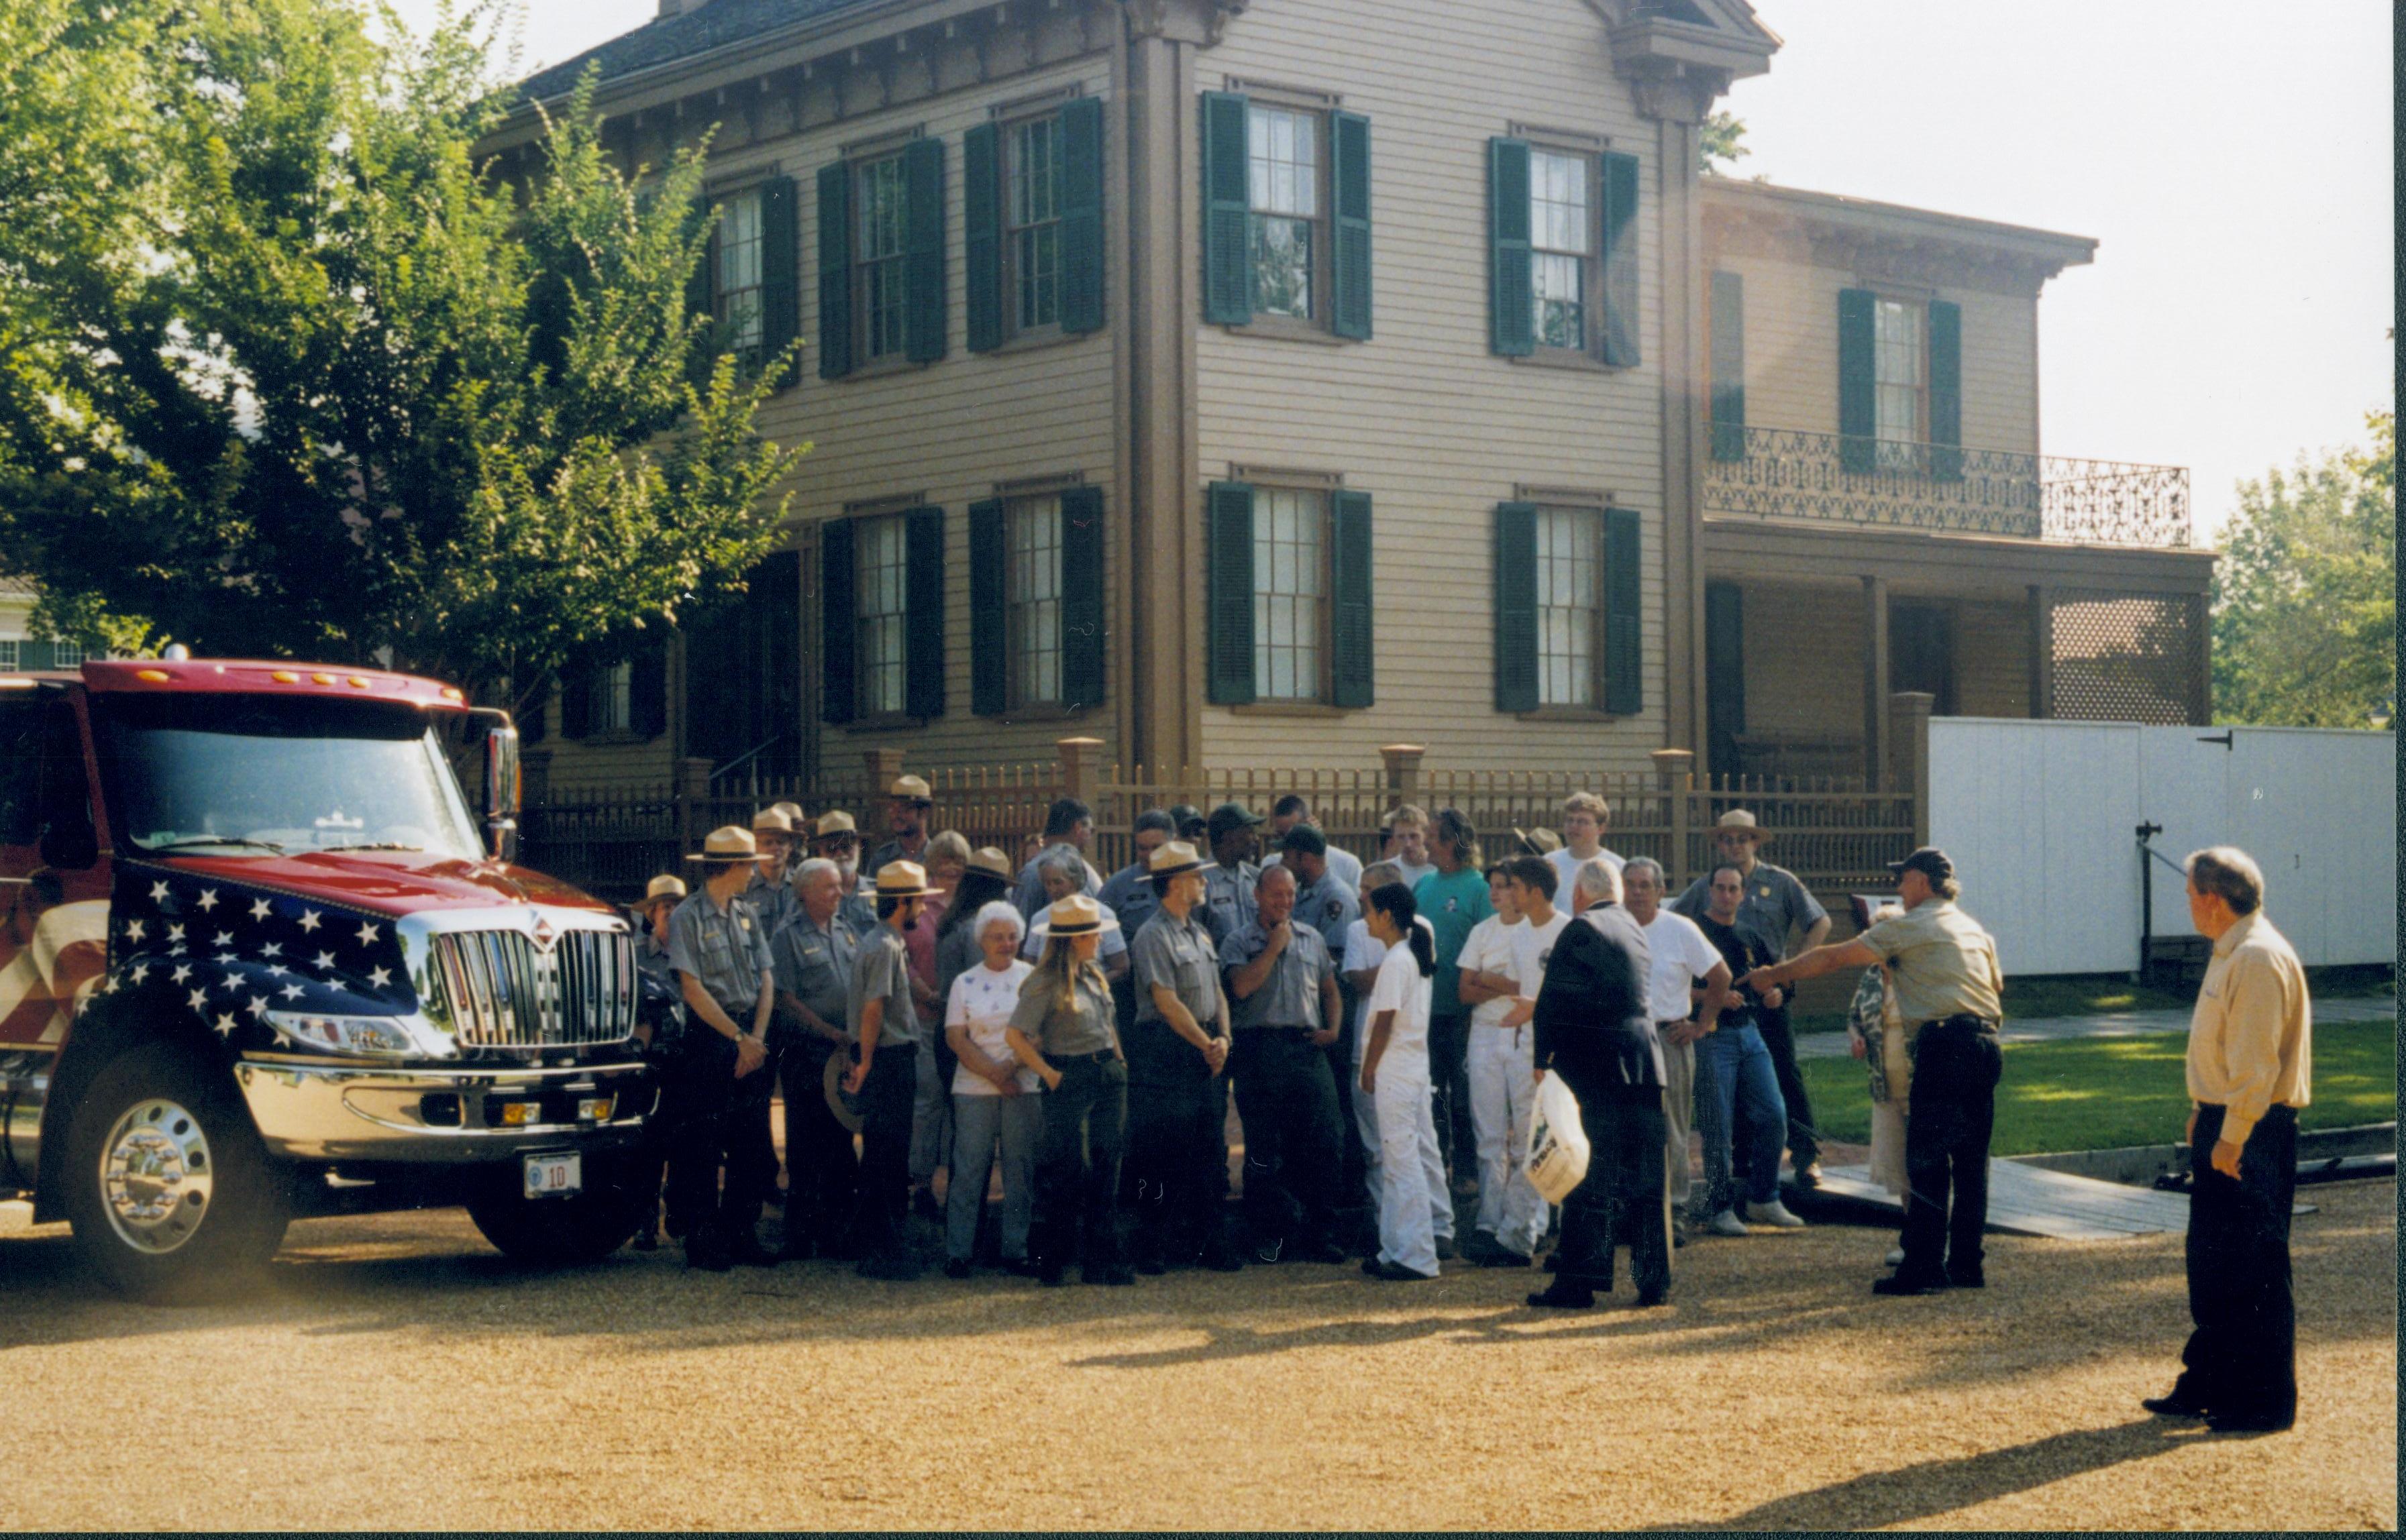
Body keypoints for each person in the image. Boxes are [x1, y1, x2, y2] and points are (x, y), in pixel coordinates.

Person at [1744, 846, 2000, 1295]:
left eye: (1903, 880)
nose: (1899, 889)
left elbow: (1832, 958)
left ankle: (1921, 1268)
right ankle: (1966, 1265)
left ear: (1921, 881)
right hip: (1986, 1044)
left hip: (1942, 1045)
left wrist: (1774, 974)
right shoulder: (1974, 928)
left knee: (1927, 1162)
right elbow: (1996, 985)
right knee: (1972, 1164)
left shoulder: (1908, 927)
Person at [2141, 846, 2311, 1434]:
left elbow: (2256, 1065)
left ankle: (2264, 1400)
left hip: (2253, 1127)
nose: (2187, 903)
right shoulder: (2231, 952)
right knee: (2213, 1264)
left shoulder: (2257, 958)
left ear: (2213, 899)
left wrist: (2232, 1136)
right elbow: (2225, 1050)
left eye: (2190, 893)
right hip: (2226, 1120)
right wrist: (2203, 1112)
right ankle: (2211, 1380)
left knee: (2254, 1265)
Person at [1526, 857, 1669, 1309]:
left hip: (1599, 1067)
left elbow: (1554, 1000)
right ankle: (1653, 1279)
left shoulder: (1581, 928)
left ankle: (1579, 1280)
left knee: (1589, 1176)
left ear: (1578, 894)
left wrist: (1542, 1058)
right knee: (1648, 1179)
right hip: (1645, 1062)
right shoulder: (1633, 929)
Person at [1673, 810, 1830, 1187]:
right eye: (1727, 839)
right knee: (1733, 1079)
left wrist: (1792, 969)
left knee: (1786, 1072)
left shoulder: (1780, 882)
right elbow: (1673, 925)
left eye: (1742, 838)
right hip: (1724, 997)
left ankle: (1805, 1155)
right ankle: (1743, 1162)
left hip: (1769, 991)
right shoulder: (1707, 887)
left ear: (1755, 842)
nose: (1735, 845)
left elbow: (1819, 921)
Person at [1124, 840, 1243, 1273]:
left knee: (1209, 1147)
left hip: (1205, 1046)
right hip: (1169, 1049)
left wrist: (1224, 1038)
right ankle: (1154, 1245)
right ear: (1175, 883)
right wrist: (1205, 1044)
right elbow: (1165, 1000)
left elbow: (1217, 994)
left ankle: (1210, 1242)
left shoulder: (1200, 931)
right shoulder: (1152, 935)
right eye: (1196, 875)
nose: (1204, 882)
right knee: (1162, 1149)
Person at [1220, 863, 1348, 1265]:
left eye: (1291, 895)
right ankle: (1269, 1238)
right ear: (1257, 895)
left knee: (1326, 1138)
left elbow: (1330, 990)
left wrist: (1334, 1029)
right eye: (1276, 895)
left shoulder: (1312, 938)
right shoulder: (1239, 941)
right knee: (1263, 1148)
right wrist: (1274, 947)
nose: (1285, 902)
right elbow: (1240, 987)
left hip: (1306, 1048)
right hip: (1260, 1048)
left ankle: (1320, 1233)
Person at [663, 826, 777, 1271]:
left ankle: (741, 1232)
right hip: (712, 1036)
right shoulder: (687, 917)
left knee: (751, 1142)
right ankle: (704, 1236)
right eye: (749, 865)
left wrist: (757, 1039)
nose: (753, 873)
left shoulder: (746, 914)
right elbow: (692, 988)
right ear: (733, 867)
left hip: (751, 1033)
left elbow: (766, 977)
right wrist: (737, 1039)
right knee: (704, 1143)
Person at [1009, 894, 1133, 1286]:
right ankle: (1056, 1258)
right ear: (1074, 939)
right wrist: (1047, 1072)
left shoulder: (1094, 975)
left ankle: (1101, 1260)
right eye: (1092, 934)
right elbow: (1015, 1035)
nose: (1099, 940)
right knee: (1069, 1168)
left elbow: (1108, 1022)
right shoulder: (1044, 983)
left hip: (1105, 1074)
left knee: (1106, 1164)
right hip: (1069, 1076)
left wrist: (1118, 1058)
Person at [1455, 855, 1567, 1266]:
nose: (1507, 894)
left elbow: (1539, 994)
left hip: (1549, 1045)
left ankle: (1529, 1229)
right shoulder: (1509, 936)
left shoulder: (1566, 930)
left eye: (1514, 886)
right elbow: (1503, 995)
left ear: (1533, 891)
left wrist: (1490, 980)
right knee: (1496, 1136)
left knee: (1532, 1138)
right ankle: (1503, 1229)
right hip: (1513, 1038)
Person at [1691, 862, 1805, 1235]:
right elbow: (1670, 983)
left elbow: (1777, 978)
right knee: (1718, 1125)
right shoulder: (1694, 934)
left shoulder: (1750, 935)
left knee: (1774, 1114)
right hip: (1711, 1036)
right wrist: (1715, 997)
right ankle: (1719, 1206)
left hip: (1750, 1033)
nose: (1726, 895)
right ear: (1710, 891)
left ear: (1743, 894)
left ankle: (1763, 1197)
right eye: (1720, 888)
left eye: (1733, 889)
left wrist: (1776, 993)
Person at [1622, 857, 1729, 1243]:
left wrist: (1703, 1024)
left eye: (1644, 885)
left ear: (1660, 891)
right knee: (1625, 1129)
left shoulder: (1680, 929)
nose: (1637, 892)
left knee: (1672, 1129)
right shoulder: (1612, 927)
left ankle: (1675, 1210)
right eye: (1630, 884)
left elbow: (1721, 977)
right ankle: (1631, 1213)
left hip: (1669, 1038)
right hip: (1623, 1039)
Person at [843, 860, 938, 1280]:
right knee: (886, 1153)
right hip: (888, 1057)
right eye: (918, 899)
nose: (921, 907)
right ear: (904, 901)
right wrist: (864, 1062)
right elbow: (873, 1009)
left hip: (890, 1055)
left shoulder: (885, 940)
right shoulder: (884, 946)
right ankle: (883, 1247)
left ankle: (877, 1241)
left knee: (885, 1152)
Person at [769, 859, 866, 1260]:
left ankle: (835, 1233)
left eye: (840, 886)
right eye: (829, 887)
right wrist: (829, 1033)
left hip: (843, 1054)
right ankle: (799, 1236)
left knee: (840, 1143)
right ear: (805, 892)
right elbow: (785, 1000)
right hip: (808, 1056)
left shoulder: (846, 932)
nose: (839, 894)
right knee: (806, 1148)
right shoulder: (786, 937)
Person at [941, 899, 1041, 1279]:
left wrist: (1011, 1069)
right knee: (969, 1169)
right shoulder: (963, 982)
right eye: (998, 937)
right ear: (982, 940)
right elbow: (956, 1038)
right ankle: (959, 1252)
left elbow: (1038, 1033)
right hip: (973, 1087)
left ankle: (1015, 1250)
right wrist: (996, 1074)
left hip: (1023, 1084)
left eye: (1013, 936)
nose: (1006, 943)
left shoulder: (1032, 977)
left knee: (1020, 1169)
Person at [1357, 881, 1445, 1281]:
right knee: (1402, 1159)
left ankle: (1416, 1254)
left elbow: (1385, 1022)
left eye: (1370, 911)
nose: (1366, 919)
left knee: (1401, 1161)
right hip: (1412, 1067)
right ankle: (1396, 1247)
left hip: (1395, 1068)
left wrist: (1369, 1067)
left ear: (1386, 916)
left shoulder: (1397, 960)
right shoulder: (1412, 953)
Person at [1415, 808, 1493, 1197]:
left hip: (1464, 1016)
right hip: (1424, 1014)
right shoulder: (1424, 885)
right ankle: (1436, 1170)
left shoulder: (1479, 888)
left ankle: (1467, 1173)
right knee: (1430, 1097)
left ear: (1451, 842)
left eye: (1432, 835)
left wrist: (1472, 1008)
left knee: (1464, 1099)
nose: (1425, 841)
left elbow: (1490, 950)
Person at [905, 829, 971, 1224]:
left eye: (958, 870)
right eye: (943, 870)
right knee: (927, 1102)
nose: (950, 877)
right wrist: (924, 992)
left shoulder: (970, 910)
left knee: (962, 1106)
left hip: (964, 1023)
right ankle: (921, 1184)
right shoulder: (918, 908)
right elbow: (904, 957)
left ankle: (961, 1187)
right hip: (927, 1017)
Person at [1846, 899, 1914, 1267]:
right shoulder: (1871, 974)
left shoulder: (1918, 971)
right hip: (1884, 1083)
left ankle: (1932, 1238)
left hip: (1919, 1081)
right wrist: (1856, 1035)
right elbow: (1854, 1016)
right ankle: (1911, 1237)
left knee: (1925, 1164)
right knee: (1899, 1165)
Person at [625, 874, 686, 1251]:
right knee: (646, 1145)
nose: (674, 914)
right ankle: (644, 1221)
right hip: (651, 1062)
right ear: (651, 914)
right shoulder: (634, 955)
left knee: (686, 1143)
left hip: (688, 1058)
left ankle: (680, 1217)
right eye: (666, 907)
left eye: (679, 906)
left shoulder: (694, 954)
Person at [1098, 810, 1175, 1038]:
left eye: (1156, 847)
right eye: (1142, 848)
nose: (1148, 855)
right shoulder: (1118, 886)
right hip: (1135, 993)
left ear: (1174, 842)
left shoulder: (1190, 880)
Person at [1021, 844, 1132, 983]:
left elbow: (1121, 967)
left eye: (1058, 882)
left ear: (1075, 880)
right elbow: (1029, 967)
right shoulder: (1040, 919)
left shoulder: (1102, 915)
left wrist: (1089, 986)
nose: (1052, 889)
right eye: (1047, 883)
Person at [1012, 798, 1103, 918]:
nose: (1091, 837)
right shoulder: (1034, 872)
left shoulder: (1032, 871)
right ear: (1078, 828)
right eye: (1091, 830)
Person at [1264, 795, 1363, 891]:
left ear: (1310, 824)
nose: (1287, 841)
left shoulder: (1348, 865)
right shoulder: (1271, 863)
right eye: (1281, 835)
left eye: (1294, 832)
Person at [1200, 801, 1265, 947]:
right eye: (1250, 832)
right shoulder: (1200, 883)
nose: (1256, 839)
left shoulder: (1255, 877)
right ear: (1229, 837)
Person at [1545, 792, 1625, 899]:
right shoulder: (1548, 863)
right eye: (1570, 820)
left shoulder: (1617, 867)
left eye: (1582, 822)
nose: (1574, 826)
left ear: (1601, 828)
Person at [816, 811, 881, 934]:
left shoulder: (879, 891)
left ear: (858, 846)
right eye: (831, 849)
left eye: (846, 847)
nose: (840, 854)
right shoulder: (812, 896)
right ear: (821, 852)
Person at [864, 773, 936, 881]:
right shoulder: (881, 859)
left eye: (903, 809)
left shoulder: (938, 858)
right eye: (892, 808)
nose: (896, 815)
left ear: (924, 812)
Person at [745, 807, 801, 937]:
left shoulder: (802, 884)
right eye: (768, 843)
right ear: (755, 846)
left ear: (790, 846)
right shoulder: (743, 885)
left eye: (781, 842)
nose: (775, 848)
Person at [1381, 804, 1436, 891]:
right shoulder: (1386, 872)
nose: (1408, 844)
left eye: (1414, 836)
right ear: (1394, 838)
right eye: (1401, 837)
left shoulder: (1440, 869)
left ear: (1426, 836)